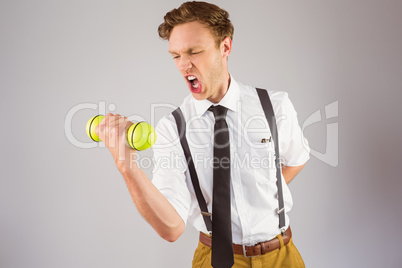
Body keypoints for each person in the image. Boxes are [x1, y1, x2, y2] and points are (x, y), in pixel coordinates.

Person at [96, 1, 309, 267]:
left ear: (225, 47)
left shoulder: (274, 105)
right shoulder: (172, 128)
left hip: (283, 256)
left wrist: (258, 197)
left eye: (194, 52)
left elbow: (296, 159)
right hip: (217, 259)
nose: (184, 65)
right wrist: (126, 165)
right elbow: (171, 228)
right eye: (176, 55)